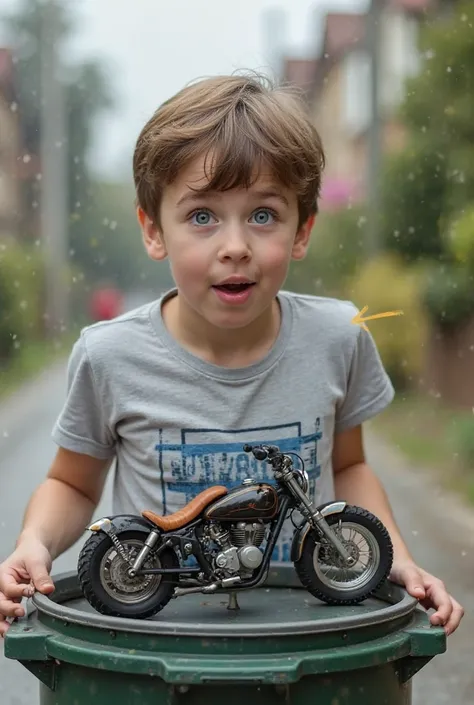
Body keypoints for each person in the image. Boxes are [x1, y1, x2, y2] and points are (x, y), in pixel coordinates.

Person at [0, 72, 463, 637]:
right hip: (162, 639)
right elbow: (72, 483)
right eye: (202, 217)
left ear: (302, 229)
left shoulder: (339, 336)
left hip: (303, 634)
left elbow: (349, 466)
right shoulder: (110, 355)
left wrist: (394, 559)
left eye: (263, 215)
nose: (236, 246)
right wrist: (34, 542)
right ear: (154, 231)